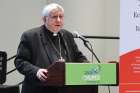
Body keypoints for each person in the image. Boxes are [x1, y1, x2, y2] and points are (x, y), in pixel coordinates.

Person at [14, 3, 88, 93]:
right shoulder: (31, 36)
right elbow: (20, 61)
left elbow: (79, 57)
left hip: (66, 89)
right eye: (54, 17)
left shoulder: (67, 35)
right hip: (39, 89)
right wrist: (36, 71)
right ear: (45, 19)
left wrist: (87, 66)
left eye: (61, 17)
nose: (58, 20)